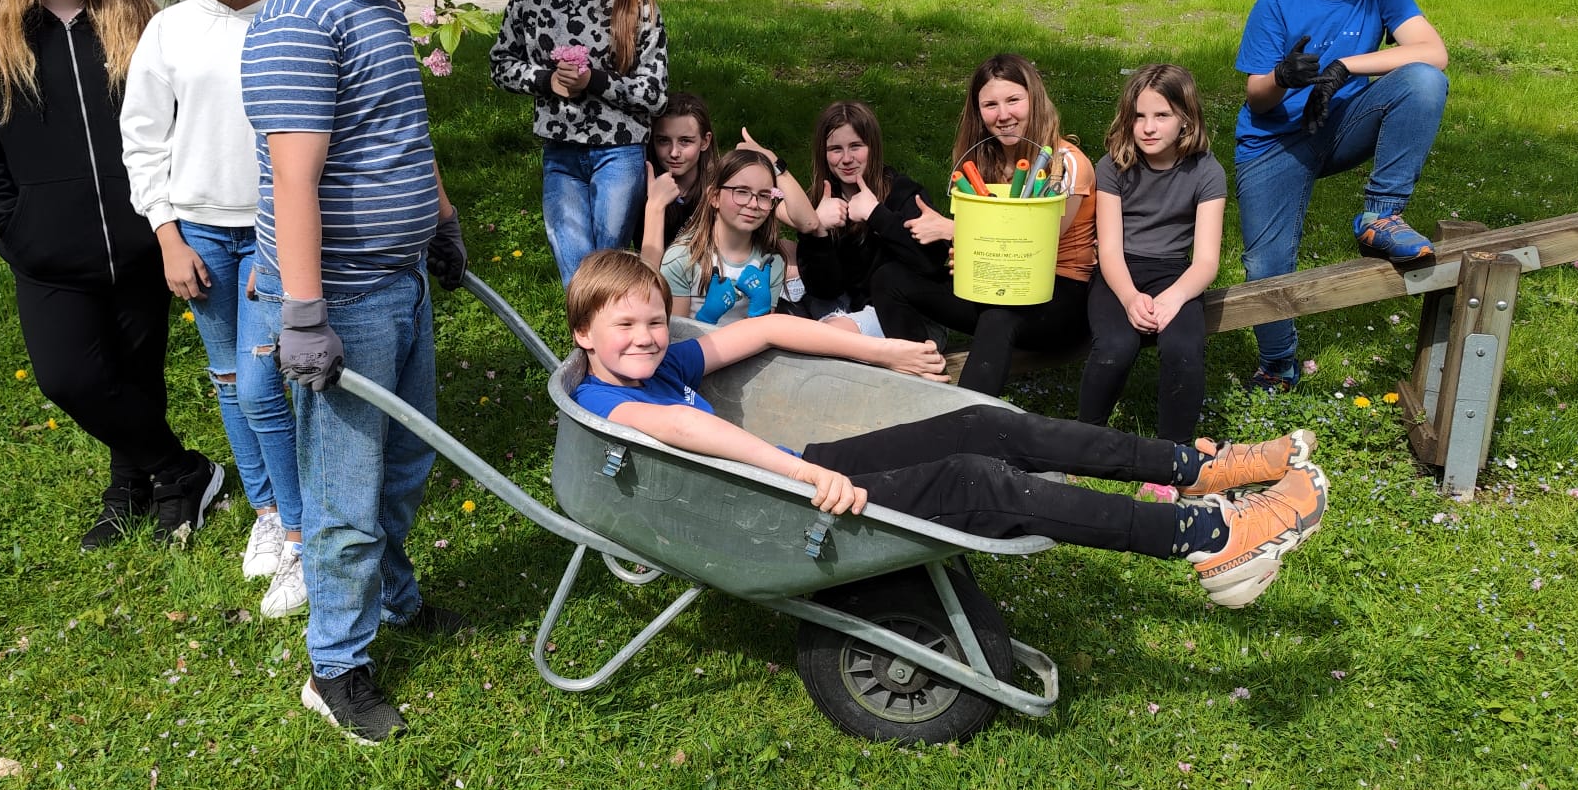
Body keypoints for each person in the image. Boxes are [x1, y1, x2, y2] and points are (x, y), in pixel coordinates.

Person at [566, 251, 1326, 609]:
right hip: (781, 499)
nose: (647, 335)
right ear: (583, 338)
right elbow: (689, 434)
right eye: (623, 324)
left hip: (793, 472)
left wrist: (881, 347)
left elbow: (763, 327)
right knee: (975, 482)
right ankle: (1205, 539)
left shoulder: (663, 364)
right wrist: (798, 475)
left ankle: (1192, 469)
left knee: (983, 425)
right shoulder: (615, 405)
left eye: (655, 320)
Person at [240, 0, 471, 745]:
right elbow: (294, 178)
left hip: (402, 277)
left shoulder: (377, 5)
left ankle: (396, 596)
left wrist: (443, 223)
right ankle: (335, 666)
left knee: (405, 464)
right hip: (345, 298)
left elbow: (403, 138)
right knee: (344, 489)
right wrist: (303, 313)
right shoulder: (301, 24)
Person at [0, 0, 224, 549]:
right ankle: (184, 471)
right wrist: (6, 217)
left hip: (142, 239)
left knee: (135, 374)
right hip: (48, 250)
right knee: (71, 377)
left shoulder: (138, 19)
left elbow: (180, 118)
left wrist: (171, 217)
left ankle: (135, 486)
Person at [120, 0, 304, 613]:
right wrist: (167, 235)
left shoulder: (293, 14)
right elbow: (142, 141)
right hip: (198, 231)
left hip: (272, 229)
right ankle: (264, 513)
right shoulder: (170, 30)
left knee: (263, 387)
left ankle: (300, 534)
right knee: (229, 381)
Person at [1235, 0, 1450, 391]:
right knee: (1267, 264)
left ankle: (1381, 216)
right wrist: (1283, 77)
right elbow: (1256, 97)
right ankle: (1278, 362)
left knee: (1423, 81)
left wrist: (1345, 67)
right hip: (1274, 140)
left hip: (1340, 124)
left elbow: (1432, 52)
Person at [873, 54, 1098, 396]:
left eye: (1013, 100)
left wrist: (952, 230)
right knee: (890, 279)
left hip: (1060, 295)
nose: (1003, 115)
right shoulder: (980, 160)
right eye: (990, 105)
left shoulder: (1066, 163)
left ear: (1033, 100)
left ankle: (967, 422)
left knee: (999, 318)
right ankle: (921, 386)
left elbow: (1037, 242)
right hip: (996, 284)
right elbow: (982, 248)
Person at [490, 0, 670, 287]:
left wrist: (595, 81)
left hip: (619, 150)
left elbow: (656, 94)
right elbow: (501, 62)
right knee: (575, 270)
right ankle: (593, 346)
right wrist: (545, 80)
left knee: (607, 264)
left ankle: (601, 346)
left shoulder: (637, 3)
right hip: (561, 149)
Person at [1079, 65, 1227, 482]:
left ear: (1186, 118)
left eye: (1161, 115)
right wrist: (1128, 298)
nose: (1147, 127)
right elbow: (1107, 249)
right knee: (1115, 346)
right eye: (1139, 116)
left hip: (1173, 276)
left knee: (1183, 349)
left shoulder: (1207, 173)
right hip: (1119, 272)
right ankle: (1082, 443)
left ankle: (1171, 459)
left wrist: (1173, 298)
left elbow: (1206, 261)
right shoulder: (1112, 167)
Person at [794, 100, 948, 335]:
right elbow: (824, 289)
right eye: (836, 149)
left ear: (873, 147)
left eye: (856, 146)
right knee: (786, 318)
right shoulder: (823, 201)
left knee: (828, 335)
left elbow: (931, 264)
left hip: (907, 317)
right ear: (823, 154)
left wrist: (877, 215)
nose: (846, 159)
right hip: (843, 307)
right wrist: (817, 232)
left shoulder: (903, 193)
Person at [660, 148, 788, 321]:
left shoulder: (771, 263)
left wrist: (761, 309)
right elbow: (674, 339)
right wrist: (707, 317)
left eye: (764, 195)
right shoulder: (682, 259)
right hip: (696, 346)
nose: (753, 204)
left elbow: (764, 342)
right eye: (742, 191)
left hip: (750, 347)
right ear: (714, 197)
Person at [639, 92, 715, 263]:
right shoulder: (638, 187)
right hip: (655, 281)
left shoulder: (719, 187)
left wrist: (777, 168)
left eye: (685, 141)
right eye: (663, 141)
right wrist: (654, 204)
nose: (674, 153)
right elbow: (647, 272)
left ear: (705, 141)